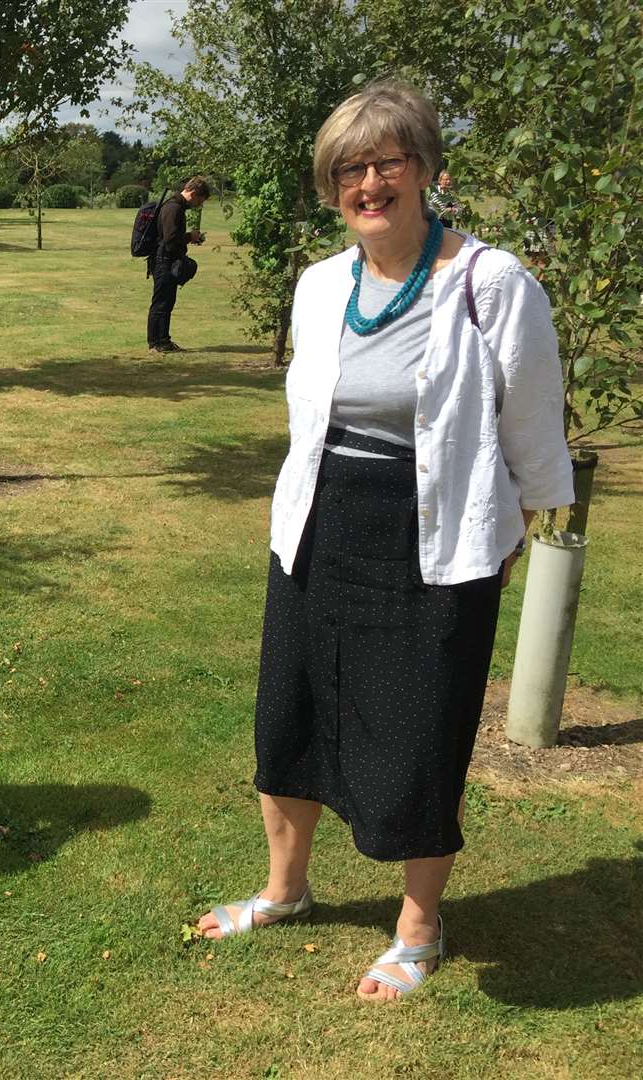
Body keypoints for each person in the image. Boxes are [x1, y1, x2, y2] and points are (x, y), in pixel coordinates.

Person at [194, 81, 572, 1001]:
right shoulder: (322, 286)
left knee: (418, 734)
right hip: (321, 529)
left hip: (435, 540)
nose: (370, 181)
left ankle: (418, 926)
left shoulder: (491, 283)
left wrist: (510, 531)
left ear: (428, 170)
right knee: (288, 714)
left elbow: (532, 430)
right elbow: (309, 419)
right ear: (333, 189)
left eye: (388, 160)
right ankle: (286, 891)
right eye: (350, 169)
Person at [147, 176, 210, 352]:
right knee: (161, 303)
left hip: (166, 259)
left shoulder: (175, 207)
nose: (199, 205)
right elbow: (170, 239)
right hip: (164, 260)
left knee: (167, 302)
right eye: (200, 200)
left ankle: (162, 340)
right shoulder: (173, 208)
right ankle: (156, 343)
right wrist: (190, 237)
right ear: (194, 193)